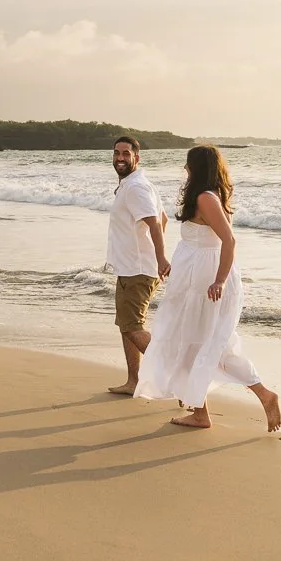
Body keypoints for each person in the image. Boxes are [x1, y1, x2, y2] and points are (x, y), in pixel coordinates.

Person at [136, 144, 281, 431]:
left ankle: (255, 396)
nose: (185, 169)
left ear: (196, 168)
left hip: (204, 283)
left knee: (196, 344)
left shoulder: (205, 198)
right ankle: (205, 410)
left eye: (188, 164)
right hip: (195, 278)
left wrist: (220, 280)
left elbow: (228, 241)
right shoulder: (208, 196)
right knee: (201, 345)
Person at [105, 135, 170, 395]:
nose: (120, 158)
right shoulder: (136, 185)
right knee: (127, 326)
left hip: (138, 269)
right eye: (117, 153)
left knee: (132, 326)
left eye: (126, 154)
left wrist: (159, 257)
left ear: (136, 158)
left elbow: (155, 223)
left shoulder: (136, 188)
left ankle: (177, 376)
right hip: (130, 267)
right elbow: (164, 218)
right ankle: (134, 381)